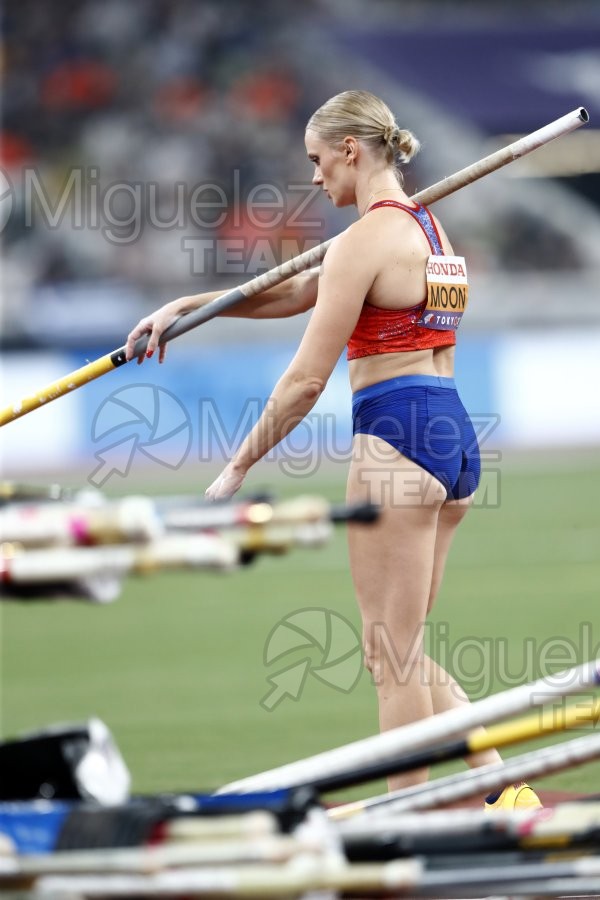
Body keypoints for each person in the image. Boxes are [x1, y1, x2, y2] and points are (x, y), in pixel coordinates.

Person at [126, 90, 540, 811]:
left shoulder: (364, 240)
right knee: (404, 646)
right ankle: (505, 788)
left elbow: (304, 381)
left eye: (318, 162)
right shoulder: (427, 228)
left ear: (351, 150)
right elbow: (300, 292)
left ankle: (403, 819)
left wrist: (237, 465)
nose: (315, 179)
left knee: (390, 656)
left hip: (397, 434)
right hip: (450, 432)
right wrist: (187, 307)